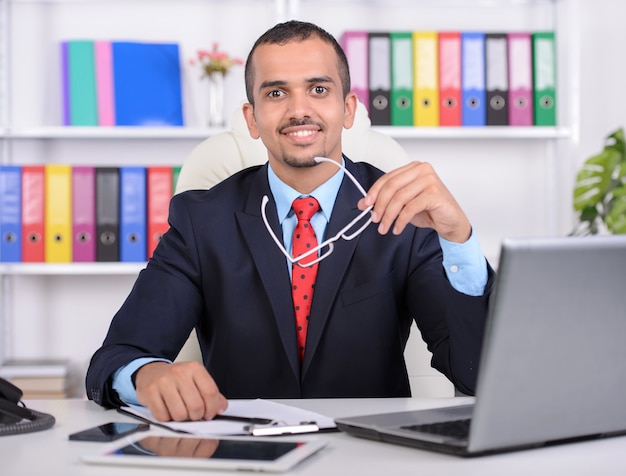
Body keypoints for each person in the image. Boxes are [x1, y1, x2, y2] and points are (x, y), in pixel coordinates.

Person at [86, 20, 494, 422]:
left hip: (368, 454)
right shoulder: (201, 220)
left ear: (347, 108)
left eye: (319, 90)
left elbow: (476, 374)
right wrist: (147, 374)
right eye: (277, 92)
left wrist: (458, 237)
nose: (300, 110)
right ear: (252, 118)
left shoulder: (405, 216)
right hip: (242, 451)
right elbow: (114, 360)